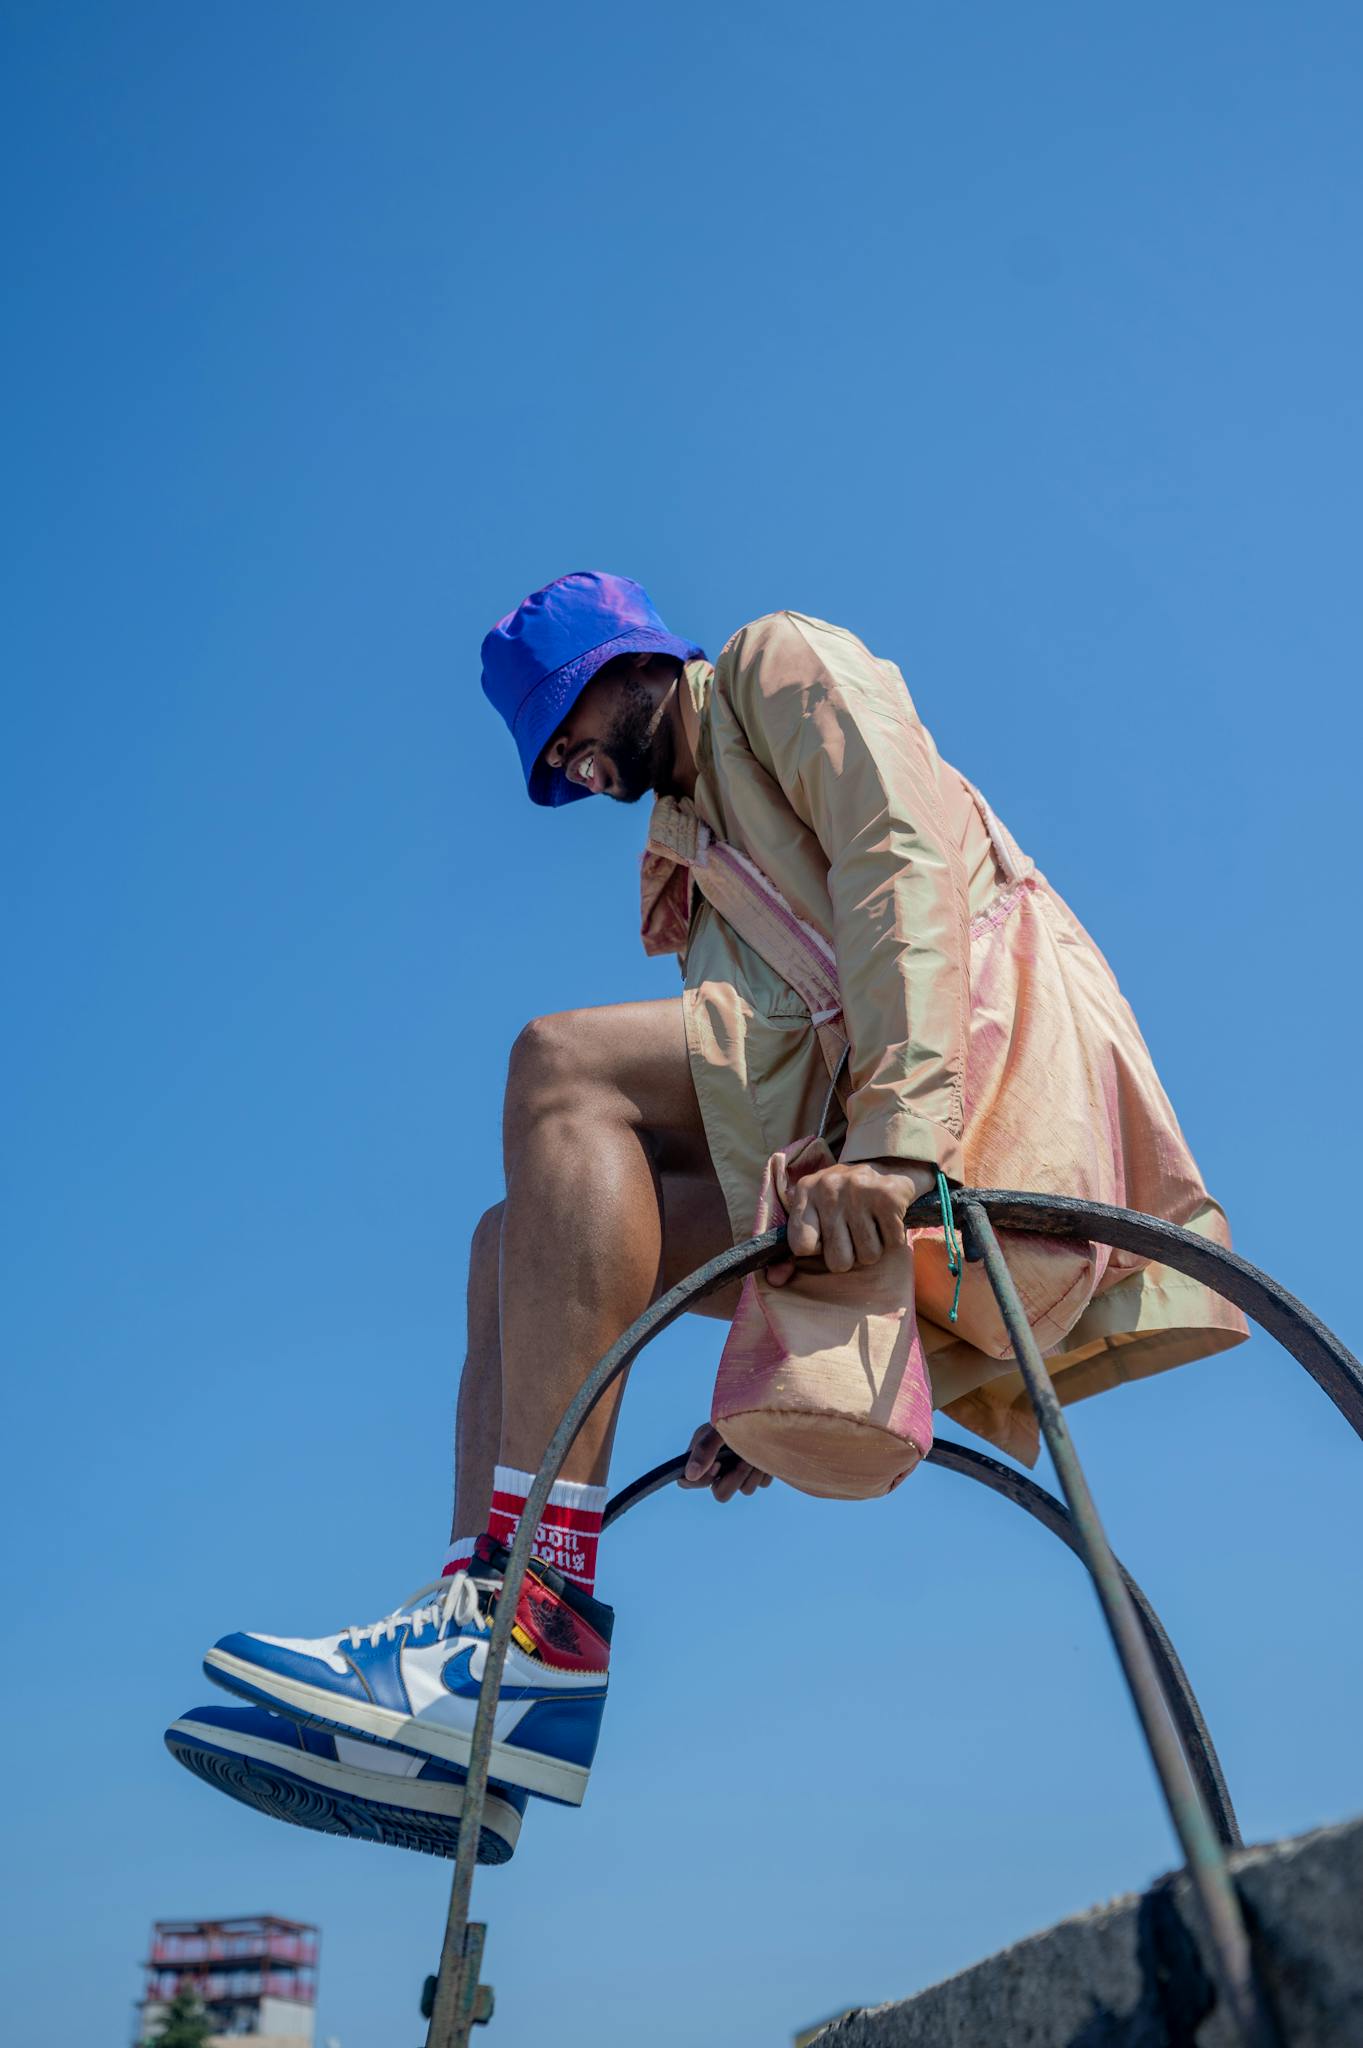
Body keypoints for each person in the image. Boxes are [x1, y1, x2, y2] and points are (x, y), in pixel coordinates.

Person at [168, 572, 1246, 1863]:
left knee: (554, 1064)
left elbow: (901, 865)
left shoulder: (776, 670)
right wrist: (765, 1363)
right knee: (508, 1243)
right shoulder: (689, 868)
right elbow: (768, 1129)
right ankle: (480, 1641)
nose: (569, 764)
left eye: (565, 722)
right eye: (549, 762)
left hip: (991, 1101)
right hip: (868, 1166)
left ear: (630, 662)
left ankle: (532, 1630)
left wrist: (901, 1147)